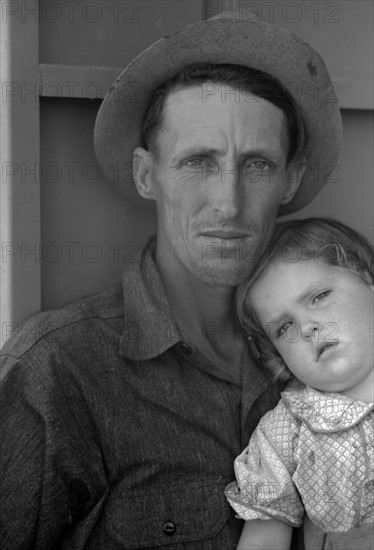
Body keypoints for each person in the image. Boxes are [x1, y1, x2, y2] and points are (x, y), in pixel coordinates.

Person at [0, 13, 342, 550]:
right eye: (198, 162)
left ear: (290, 178)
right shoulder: (58, 372)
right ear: (145, 174)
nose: (228, 204)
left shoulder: (338, 349)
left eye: (256, 165)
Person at [226, 218, 374, 550]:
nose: (306, 327)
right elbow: (263, 540)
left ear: (367, 279)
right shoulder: (285, 431)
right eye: (283, 328)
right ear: (276, 355)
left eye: (319, 296)